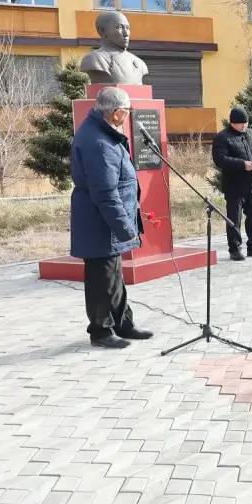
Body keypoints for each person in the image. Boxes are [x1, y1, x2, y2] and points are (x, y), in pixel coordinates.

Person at [69, 87, 153, 349]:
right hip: (99, 222)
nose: (128, 116)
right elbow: (105, 192)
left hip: (105, 222)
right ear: (116, 113)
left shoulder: (104, 132)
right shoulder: (99, 142)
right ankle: (101, 331)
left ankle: (122, 323)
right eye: (126, 111)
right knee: (101, 278)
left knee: (113, 275)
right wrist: (125, 227)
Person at [211, 106, 252, 261]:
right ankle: (235, 249)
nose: (244, 126)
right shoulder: (223, 137)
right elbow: (220, 159)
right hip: (234, 186)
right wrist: (242, 164)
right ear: (232, 123)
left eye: (246, 123)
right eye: (241, 124)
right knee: (234, 218)